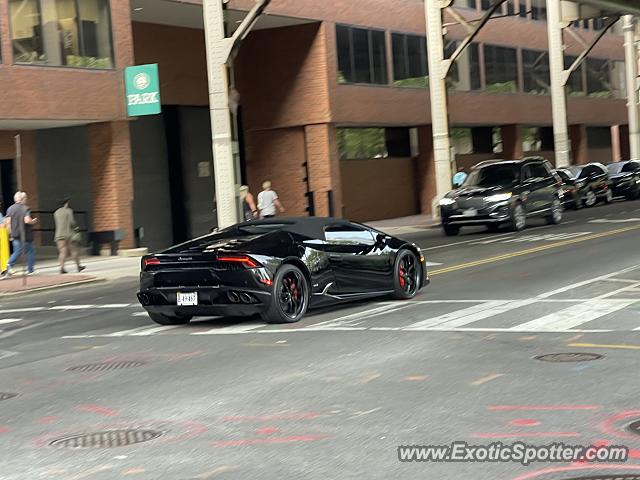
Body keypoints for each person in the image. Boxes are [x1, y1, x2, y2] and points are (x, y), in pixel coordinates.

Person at [2, 191, 38, 277]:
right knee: (30, 251)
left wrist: (10, 234)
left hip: (15, 234)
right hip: (26, 235)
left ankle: (9, 264)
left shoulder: (10, 209)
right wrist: (33, 221)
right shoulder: (25, 208)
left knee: (16, 252)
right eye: (25, 198)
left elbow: (7, 222)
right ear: (22, 199)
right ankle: (30, 270)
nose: (26, 199)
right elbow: (27, 220)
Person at [54, 197, 86, 274]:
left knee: (62, 252)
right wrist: (76, 228)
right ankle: (78, 266)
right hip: (69, 234)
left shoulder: (56, 213)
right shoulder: (69, 211)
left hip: (59, 235)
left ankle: (62, 268)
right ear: (66, 203)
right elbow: (72, 222)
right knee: (74, 251)